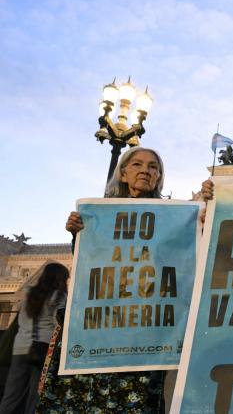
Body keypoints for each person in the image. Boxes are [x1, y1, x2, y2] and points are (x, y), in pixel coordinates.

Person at [37, 147, 167, 413]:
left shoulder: (170, 219)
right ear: (122, 173)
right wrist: (78, 235)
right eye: (137, 164)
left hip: (141, 329)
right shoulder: (98, 216)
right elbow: (90, 262)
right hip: (97, 325)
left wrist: (206, 210)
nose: (145, 170)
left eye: (153, 167)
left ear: (159, 177)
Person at [0, 262, 68, 414]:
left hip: (20, 348)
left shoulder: (28, 293)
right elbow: (59, 321)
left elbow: (21, 321)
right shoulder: (59, 296)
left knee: (12, 395)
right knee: (36, 395)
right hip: (44, 349)